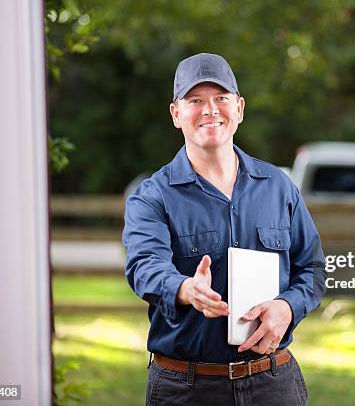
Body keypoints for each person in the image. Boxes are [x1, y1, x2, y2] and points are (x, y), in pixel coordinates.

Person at [122, 52, 325, 406]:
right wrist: (186, 289)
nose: (210, 110)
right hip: (186, 389)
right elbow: (144, 267)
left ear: (240, 108)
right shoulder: (152, 197)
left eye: (221, 98)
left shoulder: (279, 186)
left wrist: (288, 308)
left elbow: (313, 268)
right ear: (176, 114)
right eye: (195, 100)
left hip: (273, 383)